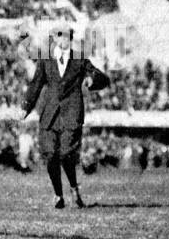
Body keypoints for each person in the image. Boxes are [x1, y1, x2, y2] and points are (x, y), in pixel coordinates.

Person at [20, 25, 110, 208]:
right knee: (51, 154)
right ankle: (58, 195)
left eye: (67, 36)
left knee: (66, 153)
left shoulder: (80, 59)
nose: (63, 39)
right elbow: (35, 84)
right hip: (50, 114)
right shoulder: (46, 60)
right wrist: (25, 107)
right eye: (59, 36)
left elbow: (101, 76)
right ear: (53, 38)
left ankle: (74, 187)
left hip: (71, 113)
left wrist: (92, 80)